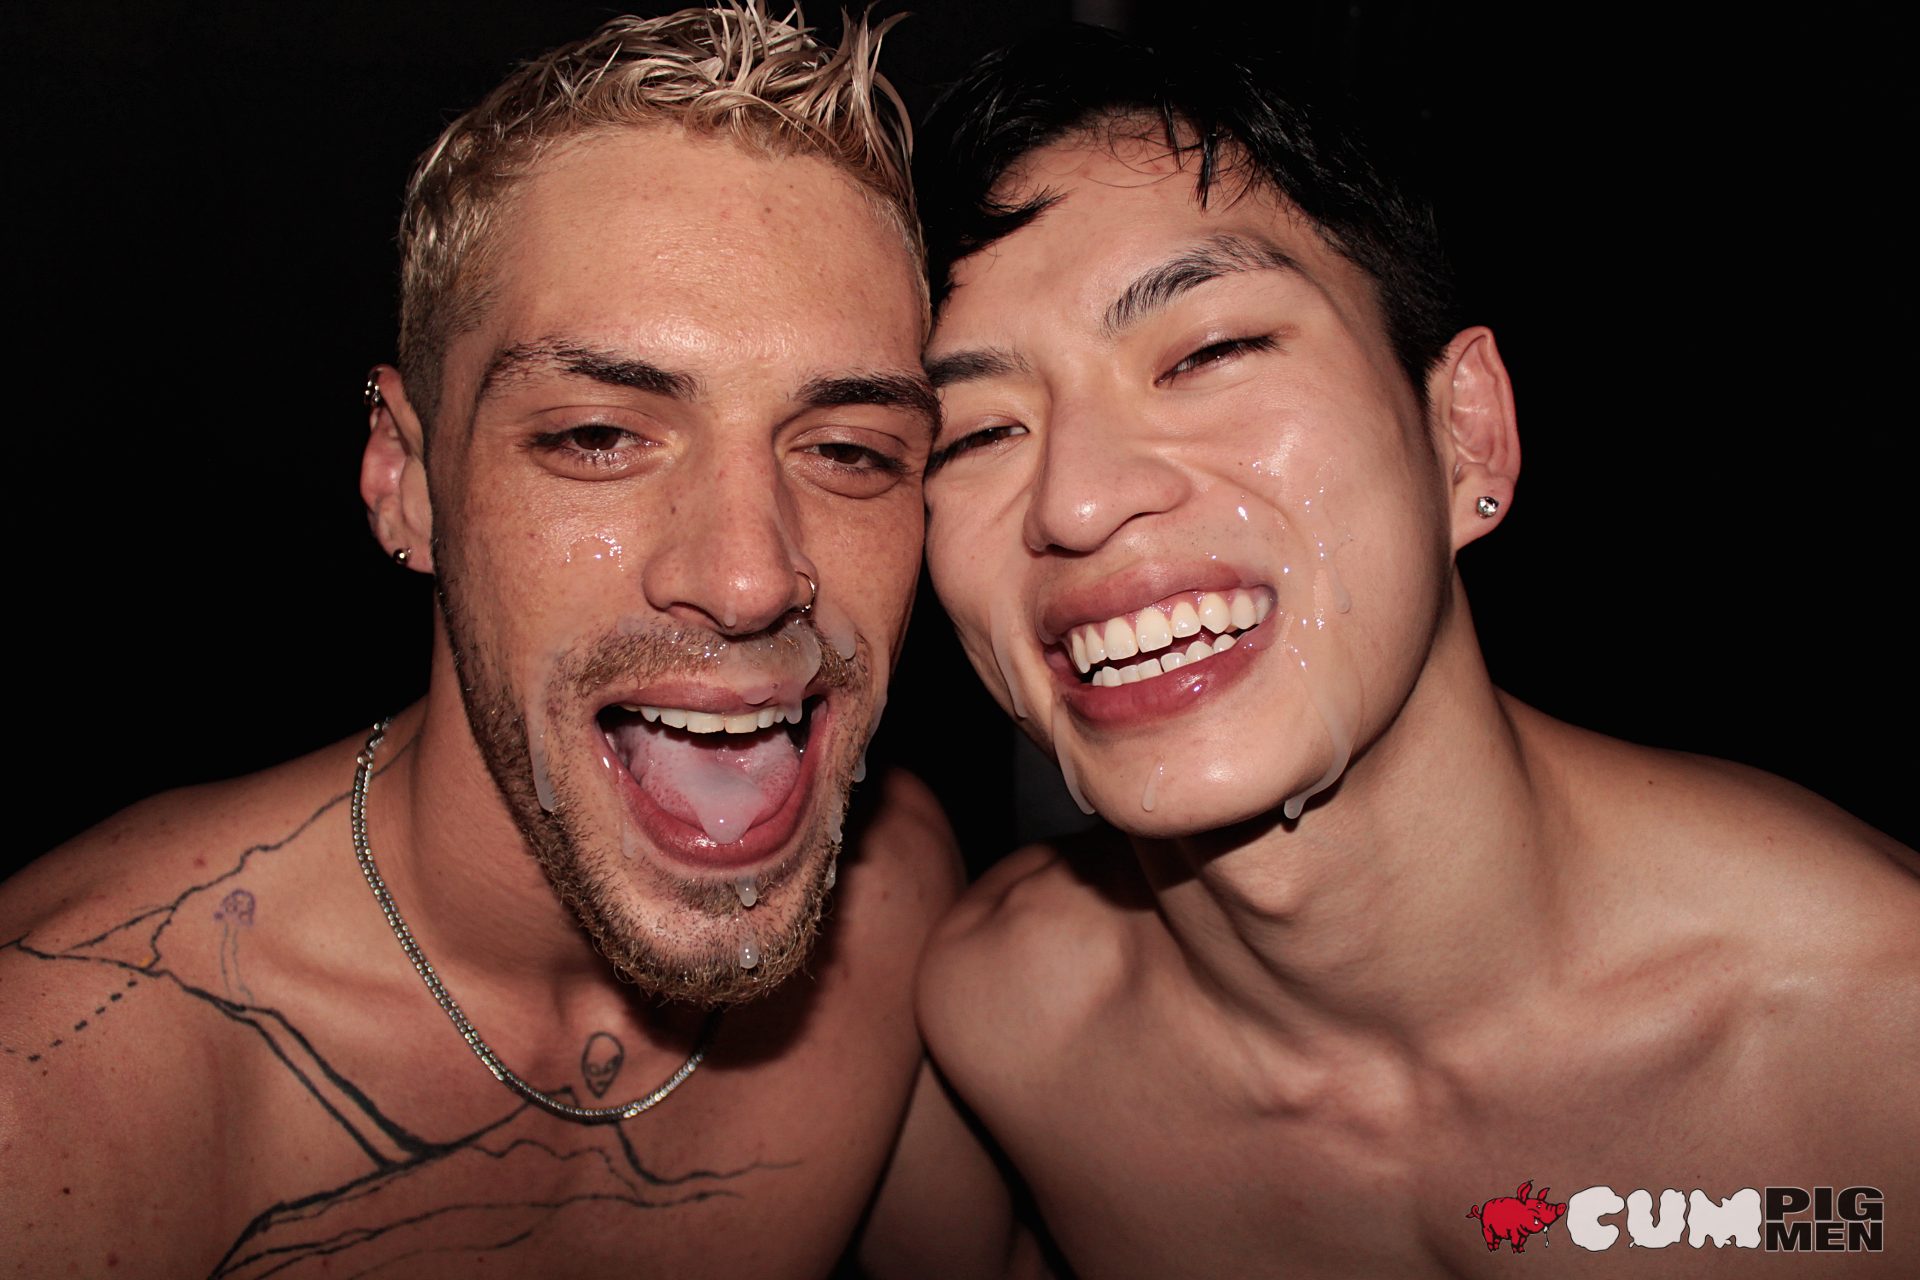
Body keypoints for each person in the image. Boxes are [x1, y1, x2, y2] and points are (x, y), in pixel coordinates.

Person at [0, 7, 1018, 1276]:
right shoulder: (59, 1092)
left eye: (852, 450)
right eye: (598, 436)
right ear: (407, 478)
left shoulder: (899, 902)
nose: (751, 577)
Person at [912, 25, 1918, 1277]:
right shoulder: (998, 1027)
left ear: (1465, 433)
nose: (1076, 498)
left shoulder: (1879, 1053)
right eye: (975, 433)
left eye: (1208, 352)